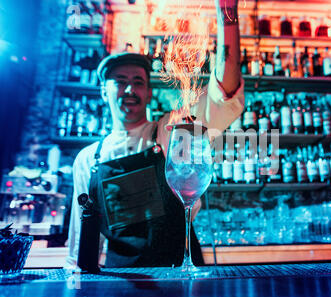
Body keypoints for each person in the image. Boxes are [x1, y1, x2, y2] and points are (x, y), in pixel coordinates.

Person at [65, 0, 244, 269]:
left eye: (138, 82)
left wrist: (227, 14)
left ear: (149, 92)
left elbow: (224, 94)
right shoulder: (88, 160)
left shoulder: (172, 131)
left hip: (180, 273)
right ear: (103, 92)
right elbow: (81, 241)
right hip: (122, 283)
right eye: (120, 82)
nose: (129, 90)